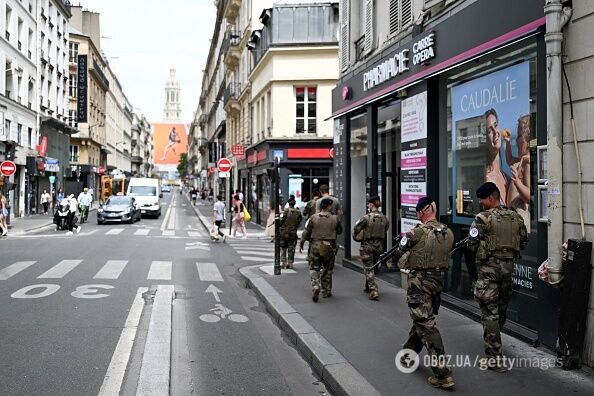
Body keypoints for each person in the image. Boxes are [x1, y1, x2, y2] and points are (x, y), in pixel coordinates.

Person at [392, 196, 455, 389]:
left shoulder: (415, 233)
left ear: (421, 212)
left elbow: (398, 254)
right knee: (421, 319)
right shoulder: (448, 232)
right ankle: (407, 354)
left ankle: (442, 373)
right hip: (437, 283)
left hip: (419, 284)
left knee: (426, 324)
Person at [467, 182, 528, 372]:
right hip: (508, 270)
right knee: (500, 311)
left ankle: (495, 358)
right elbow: (523, 241)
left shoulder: (482, 218)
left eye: (482, 199)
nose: (481, 202)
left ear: (491, 198)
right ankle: (495, 342)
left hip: (489, 271)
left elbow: (471, 245)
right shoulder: (515, 217)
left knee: (489, 312)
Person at [299, 198, 342, 302]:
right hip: (329, 246)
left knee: (314, 267)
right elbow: (340, 231)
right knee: (327, 269)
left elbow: (306, 231)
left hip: (315, 245)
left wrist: (302, 242)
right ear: (328, 206)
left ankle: (315, 286)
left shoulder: (313, 217)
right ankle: (326, 291)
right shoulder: (335, 218)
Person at [352, 195, 389, 300]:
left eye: (368, 203)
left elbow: (356, 228)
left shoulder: (366, 218)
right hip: (378, 246)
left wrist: (357, 238)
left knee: (368, 267)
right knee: (372, 267)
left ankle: (373, 290)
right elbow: (386, 228)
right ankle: (368, 286)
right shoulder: (384, 218)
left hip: (367, 245)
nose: (368, 205)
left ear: (371, 204)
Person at [503, 114, 531, 232]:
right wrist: (508, 143)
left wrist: (517, 182)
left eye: (520, 135)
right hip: (512, 214)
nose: (517, 140)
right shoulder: (520, 161)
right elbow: (509, 159)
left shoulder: (526, 163)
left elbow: (529, 197)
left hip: (520, 215)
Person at [484, 108, 510, 205]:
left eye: (495, 125)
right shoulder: (486, 180)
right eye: (490, 131)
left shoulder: (508, 178)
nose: (496, 132)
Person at [280, 197, 303, 269]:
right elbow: (299, 222)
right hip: (293, 232)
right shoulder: (298, 212)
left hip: (285, 232)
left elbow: (282, 220)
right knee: (291, 247)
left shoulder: (286, 211)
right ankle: (290, 263)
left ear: (288, 203)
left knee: (283, 247)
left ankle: (283, 262)